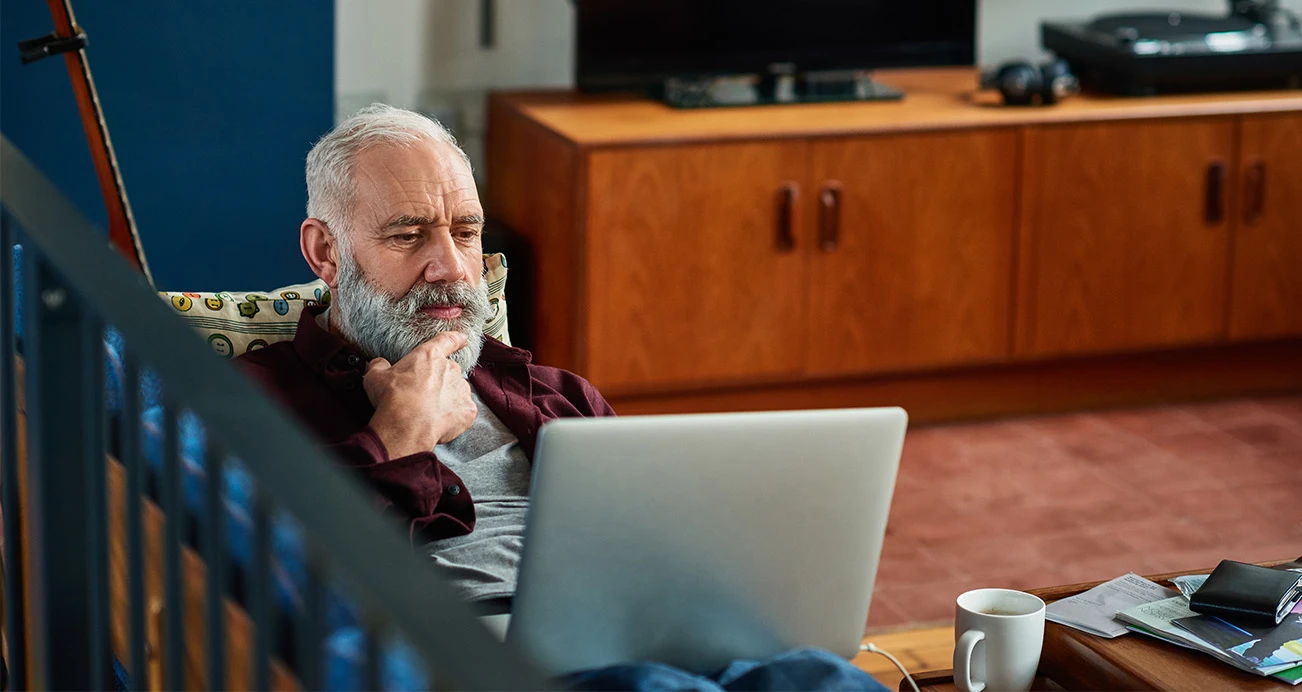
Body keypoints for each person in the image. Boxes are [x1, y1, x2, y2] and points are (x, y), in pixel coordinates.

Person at [239, 104, 888, 692]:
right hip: (459, 665)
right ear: (326, 251)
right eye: (408, 236)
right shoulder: (249, 400)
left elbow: (650, 551)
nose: (453, 269)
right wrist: (398, 438)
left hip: (635, 641)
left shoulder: (556, 395)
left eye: (466, 233)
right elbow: (272, 586)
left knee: (826, 677)